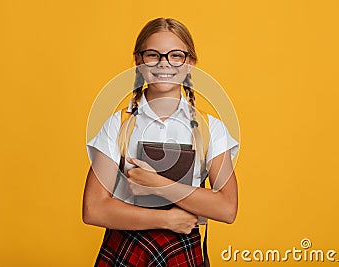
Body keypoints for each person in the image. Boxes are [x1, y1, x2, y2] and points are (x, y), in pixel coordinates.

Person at [83, 17, 239, 267]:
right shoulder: (119, 124)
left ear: (190, 63)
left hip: (180, 249)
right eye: (153, 55)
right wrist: (166, 220)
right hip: (126, 246)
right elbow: (94, 209)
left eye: (175, 55)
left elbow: (226, 208)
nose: (163, 63)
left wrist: (157, 184)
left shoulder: (211, 129)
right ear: (139, 62)